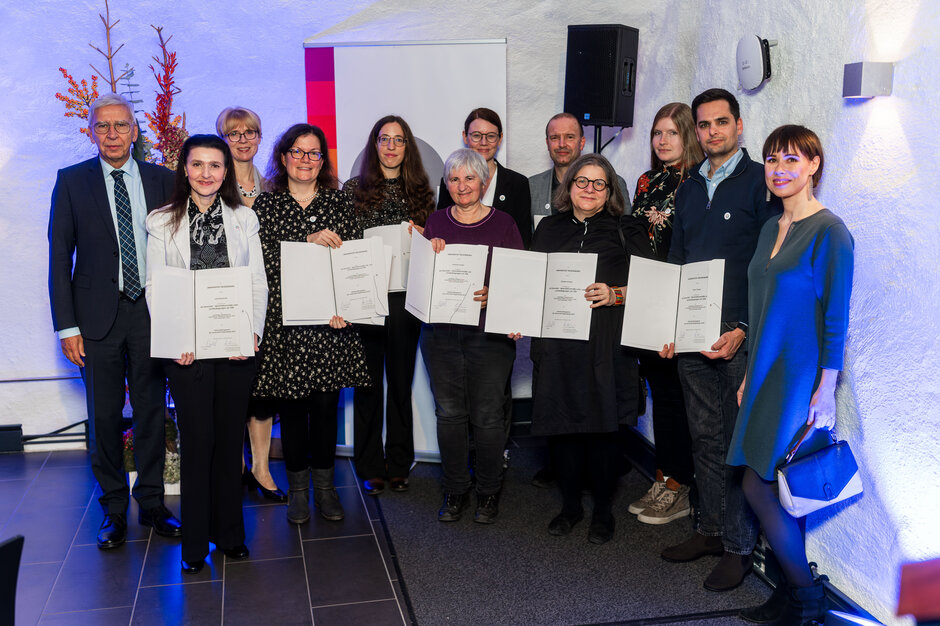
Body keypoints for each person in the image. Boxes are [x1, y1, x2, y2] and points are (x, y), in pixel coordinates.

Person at [728, 125, 853, 624]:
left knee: (760, 485)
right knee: (774, 486)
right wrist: (747, 375)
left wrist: (827, 387)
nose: (780, 170)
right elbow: (761, 308)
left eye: (792, 161)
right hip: (764, 370)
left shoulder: (830, 232)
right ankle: (790, 592)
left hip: (800, 377)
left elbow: (836, 318)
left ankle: (808, 600)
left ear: (814, 166)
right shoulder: (769, 227)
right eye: (773, 160)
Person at [659, 88, 781, 591]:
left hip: (738, 340)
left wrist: (745, 331)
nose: (712, 132)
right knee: (703, 440)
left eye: (720, 123)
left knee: (736, 446)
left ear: (739, 125)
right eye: (704, 125)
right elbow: (675, 266)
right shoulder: (688, 189)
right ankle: (708, 530)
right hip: (692, 340)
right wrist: (665, 324)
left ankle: (738, 547)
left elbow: (769, 269)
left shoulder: (760, 186)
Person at [48, 93, 181, 550]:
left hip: (150, 313)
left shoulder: (164, 180)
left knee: (150, 412)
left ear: (135, 131)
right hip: (95, 321)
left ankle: (151, 503)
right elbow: (58, 257)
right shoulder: (71, 182)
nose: (112, 134)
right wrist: (67, 327)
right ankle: (111, 509)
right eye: (102, 126)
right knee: (103, 417)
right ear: (90, 131)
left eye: (120, 125)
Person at [145, 134, 268, 574]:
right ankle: (194, 545)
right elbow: (155, 286)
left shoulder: (243, 219)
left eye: (215, 166)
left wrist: (250, 333)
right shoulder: (160, 222)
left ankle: (231, 536)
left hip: (234, 347)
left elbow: (256, 281)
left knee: (228, 440)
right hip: (186, 352)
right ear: (184, 169)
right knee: (199, 443)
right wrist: (174, 337)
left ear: (226, 171)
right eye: (197, 165)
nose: (206, 174)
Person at [251, 124, 370, 524]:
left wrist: (347, 307)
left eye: (314, 153)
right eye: (297, 152)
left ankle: (326, 488)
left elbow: (353, 263)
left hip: (330, 327)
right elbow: (261, 267)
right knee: (293, 411)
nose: (305, 160)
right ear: (283, 157)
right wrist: (307, 240)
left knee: (324, 411)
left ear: (323, 160)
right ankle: (299, 491)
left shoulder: (341, 204)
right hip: (285, 328)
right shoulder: (264, 208)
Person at [529, 153, 644, 544]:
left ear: (610, 190)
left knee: (603, 431)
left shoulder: (625, 228)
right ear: (569, 186)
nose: (590, 189)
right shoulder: (548, 227)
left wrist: (615, 294)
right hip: (557, 344)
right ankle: (570, 507)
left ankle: (602, 511)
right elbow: (530, 281)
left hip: (606, 345)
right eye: (582, 181)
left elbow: (655, 286)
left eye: (599, 183)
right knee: (562, 429)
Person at [420, 148, 523, 524]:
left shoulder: (504, 223)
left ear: (484, 181)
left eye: (469, 178)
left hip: (489, 337)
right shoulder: (435, 223)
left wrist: (496, 294)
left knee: (488, 417)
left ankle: (489, 492)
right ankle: (455, 490)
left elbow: (518, 283)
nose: (462, 186)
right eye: (454, 179)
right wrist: (425, 257)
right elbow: (421, 286)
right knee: (449, 415)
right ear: (446, 184)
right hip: (442, 336)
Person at [343, 115, 435, 495]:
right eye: (385, 139)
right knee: (367, 386)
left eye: (399, 140)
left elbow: (433, 247)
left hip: (405, 301)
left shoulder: (421, 191)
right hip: (366, 298)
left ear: (407, 146)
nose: (392, 147)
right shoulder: (353, 189)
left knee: (400, 383)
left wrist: (428, 238)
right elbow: (346, 246)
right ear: (375, 144)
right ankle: (370, 465)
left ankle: (399, 462)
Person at [626, 103, 703, 525]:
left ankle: (680, 484)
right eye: (657, 133)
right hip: (646, 296)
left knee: (679, 395)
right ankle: (664, 474)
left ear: (687, 135)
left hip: (681, 298)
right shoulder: (646, 180)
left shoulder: (699, 182)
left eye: (672, 133)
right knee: (659, 390)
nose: (662, 141)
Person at [216, 106, 287, 503]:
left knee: (264, 385)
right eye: (234, 133)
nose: (243, 139)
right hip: (228, 297)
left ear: (260, 138)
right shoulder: (213, 186)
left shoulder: (274, 186)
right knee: (233, 383)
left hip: (271, 297)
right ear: (222, 139)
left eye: (250, 132)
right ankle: (235, 466)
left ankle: (260, 467)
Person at [436, 108, 532, 247]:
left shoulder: (518, 184)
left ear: (500, 139)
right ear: (465, 136)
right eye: (476, 135)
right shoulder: (451, 182)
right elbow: (442, 229)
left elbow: (523, 239)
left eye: (491, 136)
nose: (483, 142)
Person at [529, 112, 631, 224]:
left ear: (582, 142)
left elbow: (626, 230)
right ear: (547, 143)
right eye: (555, 138)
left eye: (570, 137)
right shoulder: (532, 186)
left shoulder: (614, 183)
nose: (562, 144)